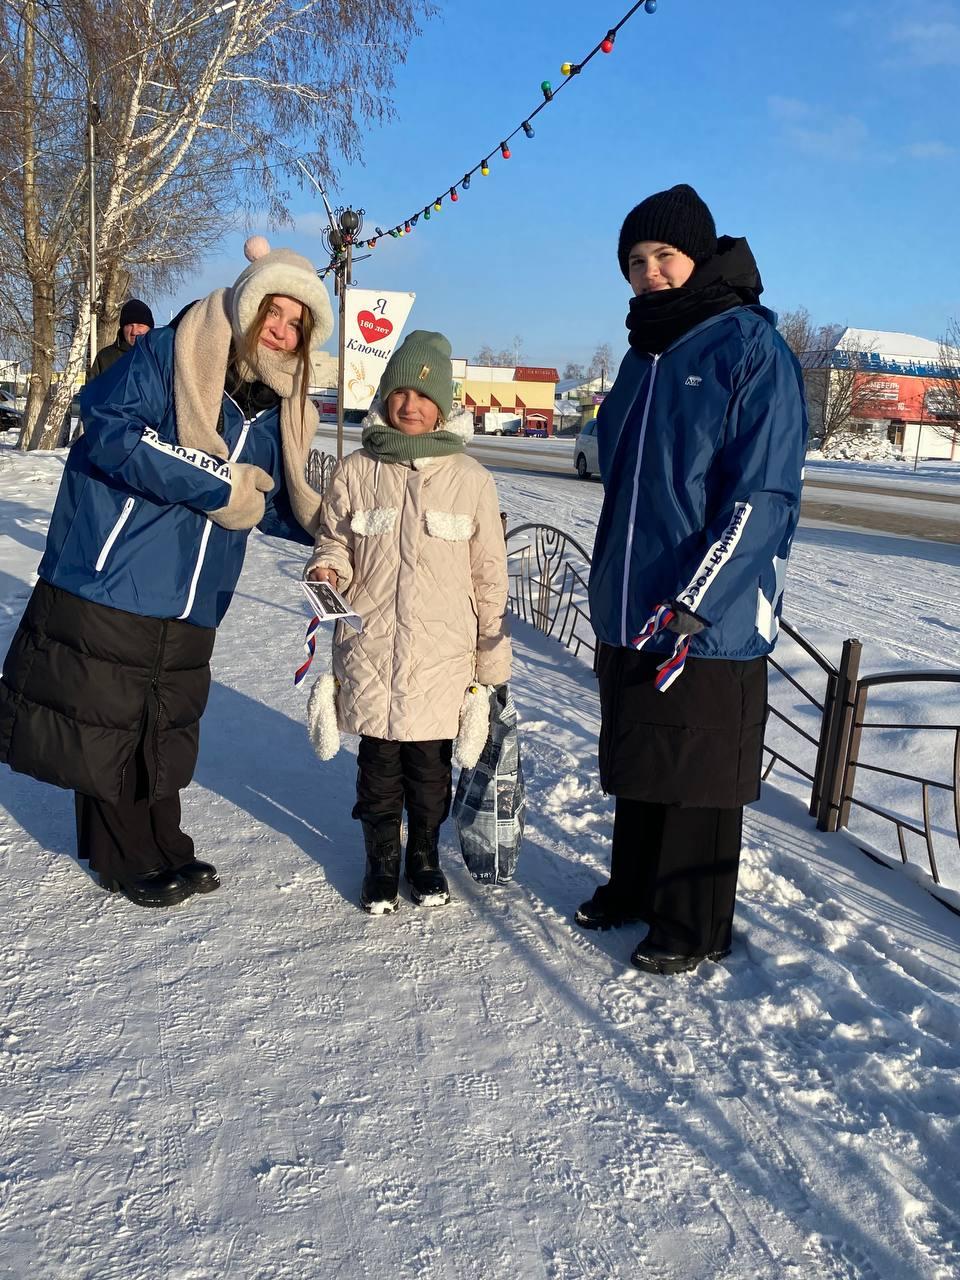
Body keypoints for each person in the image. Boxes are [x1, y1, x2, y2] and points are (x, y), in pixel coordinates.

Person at [0, 237, 333, 908]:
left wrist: (322, 528)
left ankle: (162, 844)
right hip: (120, 569)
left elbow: (259, 496)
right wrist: (216, 486)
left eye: (299, 324)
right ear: (250, 303)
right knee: (109, 720)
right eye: (277, 310)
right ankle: (120, 858)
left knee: (163, 721)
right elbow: (109, 428)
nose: (283, 328)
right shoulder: (173, 350)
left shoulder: (276, 405)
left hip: (196, 589)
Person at [578, 184, 807, 975]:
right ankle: (633, 888)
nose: (649, 274)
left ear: (699, 256)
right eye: (635, 263)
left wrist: (697, 599)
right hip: (635, 603)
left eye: (663, 257)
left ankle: (693, 921)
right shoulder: (645, 356)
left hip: (710, 614)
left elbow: (763, 494)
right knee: (642, 758)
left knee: (697, 771)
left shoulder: (747, 348)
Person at [305, 331, 511, 914]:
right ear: (385, 397)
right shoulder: (355, 470)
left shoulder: (470, 479)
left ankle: (423, 858)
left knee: (429, 774)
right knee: (377, 771)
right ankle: (380, 863)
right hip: (371, 648)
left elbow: (489, 573)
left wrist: (491, 655)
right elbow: (336, 539)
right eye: (400, 392)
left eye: (424, 396)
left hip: (442, 659)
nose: (410, 405)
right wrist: (326, 567)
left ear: (443, 405)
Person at [88, 298, 155, 382]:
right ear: (123, 328)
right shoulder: (105, 358)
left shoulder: (159, 357)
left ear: (150, 328)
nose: (134, 331)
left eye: (140, 325)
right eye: (130, 325)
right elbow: (92, 391)